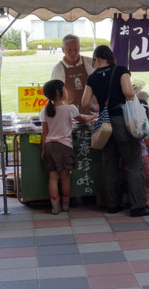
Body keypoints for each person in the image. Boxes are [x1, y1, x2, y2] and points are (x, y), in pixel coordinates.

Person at [82, 45, 149, 217]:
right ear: (110, 57)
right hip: (122, 121)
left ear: (98, 59)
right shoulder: (121, 70)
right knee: (132, 163)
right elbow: (129, 92)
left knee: (110, 165)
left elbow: (85, 103)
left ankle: (112, 204)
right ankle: (138, 206)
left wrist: (99, 107)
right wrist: (134, 97)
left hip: (104, 123)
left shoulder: (92, 77)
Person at [40, 80, 93, 215]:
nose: (67, 90)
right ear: (59, 92)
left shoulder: (44, 111)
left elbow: (44, 133)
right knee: (65, 177)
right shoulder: (70, 108)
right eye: (64, 88)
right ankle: (65, 205)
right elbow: (82, 119)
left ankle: (55, 207)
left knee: (52, 177)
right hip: (65, 147)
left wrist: (43, 149)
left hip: (50, 146)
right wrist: (93, 116)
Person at [51, 35, 94, 111]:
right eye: (69, 50)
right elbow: (54, 95)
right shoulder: (58, 69)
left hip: (92, 109)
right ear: (63, 50)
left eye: (75, 50)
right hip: (70, 112)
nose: (73, 53)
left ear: (79, 48)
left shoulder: (90, 63)